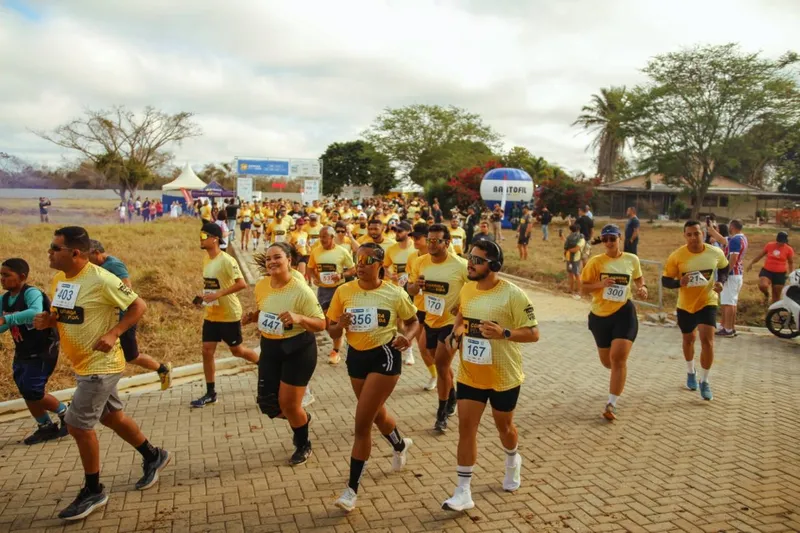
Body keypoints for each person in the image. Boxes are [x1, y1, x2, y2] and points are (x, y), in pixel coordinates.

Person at [34, 226, 169, 520]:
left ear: (75, 253)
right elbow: (64, 313)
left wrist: (115, 332)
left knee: (77, 425)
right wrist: (49, 320)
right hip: (82, 364)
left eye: (55, 248)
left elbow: (138, 305)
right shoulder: (60, 279)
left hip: (101, 366)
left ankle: (94, 490)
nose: (49, 252)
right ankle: (153, 455)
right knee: (111, 417)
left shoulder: (101, 278)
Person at [440, 240, 540, 512]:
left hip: (503, 375)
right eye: (469, 257)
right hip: (471, 372)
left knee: (504, 428)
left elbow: (533, 333)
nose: (470, 263)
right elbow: (461, 318)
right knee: (465, 427)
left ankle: (512, 460)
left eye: (477, 260)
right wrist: (455, 334)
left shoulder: (513, 295)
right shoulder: (468, 289)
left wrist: (504, 333)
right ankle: (463, 491)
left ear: (493, 266)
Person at [327, 243, 419, 513]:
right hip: (356, 357)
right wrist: (339, 327)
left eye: (368, 260)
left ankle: (351, 490)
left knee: (362, 422)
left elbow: (414, 321)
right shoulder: (344, 291)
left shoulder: (394, 293)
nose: (361, 264)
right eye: (358, 260)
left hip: (385, 356)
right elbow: (331, 330)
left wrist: (408, 338)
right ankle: (401, 444)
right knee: (376, 413)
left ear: (380, 264)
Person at [242, 243, 325, 465]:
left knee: (289, 405)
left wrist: (299, 318)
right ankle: (303, 418)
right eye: (268, 259)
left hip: (298, 349)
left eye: (277, 257)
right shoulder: (261, 285)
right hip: (270, 348)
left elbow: (321, 323)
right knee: (268, 404)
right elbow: (267, 309)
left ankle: (302, 443)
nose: (272, 262)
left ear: (289, 260)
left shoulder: (301, 290)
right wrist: (253, 317)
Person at [580, 225, 647, 420]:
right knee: (608, 362)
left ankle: (612, 404)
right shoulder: (596, 262)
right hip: (600, 316)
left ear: (620, 238)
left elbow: (639, 279)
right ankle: (619, 373)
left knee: (618, 359)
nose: (609, 242)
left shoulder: (631, 259)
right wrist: (601, 284)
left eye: (613, 238)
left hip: (624, 313)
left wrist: (642, 288)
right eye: (606, 239)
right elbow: (583, 288)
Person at [407, 224, 469, 432]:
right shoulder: (419, 262)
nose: (432, 244)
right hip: (430, 320)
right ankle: (452, 395)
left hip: (451, 323)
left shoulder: (461, 266)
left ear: (447, 243)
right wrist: (417, 286)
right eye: (430, 240)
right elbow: (410, 287)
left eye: (437, 241)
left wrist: (462, 307)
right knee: (432, 356)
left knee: (442, 365)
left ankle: (441, 414)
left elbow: (474, 290)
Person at [191, 222, 260, 407]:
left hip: (229, 314)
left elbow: (241, 284)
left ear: (215, 239)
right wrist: (204, 296)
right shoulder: (206, 259)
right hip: (211, 314)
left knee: (237, 351)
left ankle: (265, 365)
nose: (201, 239)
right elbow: (213, 285)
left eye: (204, 236)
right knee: (207, 351)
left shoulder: (227, 260)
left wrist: (218, 294)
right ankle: (210, 392)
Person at [88, 241, 173, 390]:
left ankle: (162, 368)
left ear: (96, 252)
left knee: (132, 356)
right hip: (109, 319)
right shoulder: (97, 266)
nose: (86, 260)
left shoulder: (113, 265)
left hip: (124, 318)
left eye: (87, 255)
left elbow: (127, 287)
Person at [0, 258, 67, 445]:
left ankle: (66, 414)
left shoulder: (32, 293)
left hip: (43, 350)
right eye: (1, 275)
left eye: (6, 275)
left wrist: (7, 320)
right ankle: (45, 426)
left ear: (22, 276)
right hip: (23, 351)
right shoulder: (4, 299)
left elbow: (34, 312)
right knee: (25, 389)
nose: (2, 279)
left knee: (33, 390)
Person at [661, 220, 729, 401]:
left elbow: (724, 268)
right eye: (689, 234)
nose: (693, 237)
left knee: (708, 341)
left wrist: (721, 281)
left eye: (696, 233)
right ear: (685, 236)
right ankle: (690, 371)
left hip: (708, 301)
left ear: (703, 234)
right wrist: (678, 283)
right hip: (685, 305)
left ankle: (705, 381)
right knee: (689, 339)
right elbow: (665, 280)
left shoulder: (715, 252)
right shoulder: (677, 256)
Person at [308, 226, 356, 364]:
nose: (321, 239)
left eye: (324, 237)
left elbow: (353, 270)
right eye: (320, 236)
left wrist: (341, 275)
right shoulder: (316, 251)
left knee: (335, 320)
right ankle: (340, 337)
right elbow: (310, 268)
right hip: (323, 290)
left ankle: (335, 351)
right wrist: (313, 278)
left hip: (338, 289)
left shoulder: (342, 251)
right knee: (328, 323)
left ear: (332, 237)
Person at [407, 223, 438, 390]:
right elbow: (410, 285)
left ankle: (443, 374)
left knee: (431, 348)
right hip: (419, 307)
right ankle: (435, 375)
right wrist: (415, 286)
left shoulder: (442, 256)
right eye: (413, 237)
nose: (414, 240)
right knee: (423, 348)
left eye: (417, 238)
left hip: (438, 310)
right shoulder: (413, 258)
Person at [384, 221, 416, 365]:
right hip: (396, 290)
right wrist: (391, 275)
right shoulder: (391, 249)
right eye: (395, 231)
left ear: (409, 232)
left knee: (411, 321)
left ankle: (409, 352)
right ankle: (408, 344)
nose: (397, 233)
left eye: (400, 231)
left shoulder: (415, 249)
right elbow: (384, 267)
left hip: (412, 289)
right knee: (398, 322)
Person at [708, 220, 746, 337]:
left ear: (733, 227)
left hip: (731, 275)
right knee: (731, 303)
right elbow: (723, 240)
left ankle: (728, 329)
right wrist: (712, 230)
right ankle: (730, 327)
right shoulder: (741, 238)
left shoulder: (735, 240)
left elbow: (733, 258)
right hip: (737, 274)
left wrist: (725, 273)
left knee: (728, 303)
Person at [747, 231, 794, 304]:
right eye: (779, 241)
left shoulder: (789, 249)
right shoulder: (769, 245)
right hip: (767, 271)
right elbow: (760, 255)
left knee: (776, 297)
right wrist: (752, 263)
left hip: (780, 274)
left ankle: (771, 311)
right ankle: (766, 295)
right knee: (763, 285)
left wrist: (791, 274)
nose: (781, 243)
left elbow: (790, 262)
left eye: (782, 242)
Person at [563, 224, 585, 299]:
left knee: (570, 274)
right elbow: (576, 249)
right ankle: (579, 290)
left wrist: (568, 250)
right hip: (576, 258)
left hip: (568, 257)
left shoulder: (569, 237)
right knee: (577, 274)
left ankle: (570, 289)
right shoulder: (581, 238)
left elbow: (565, 247)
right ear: (578, 230)